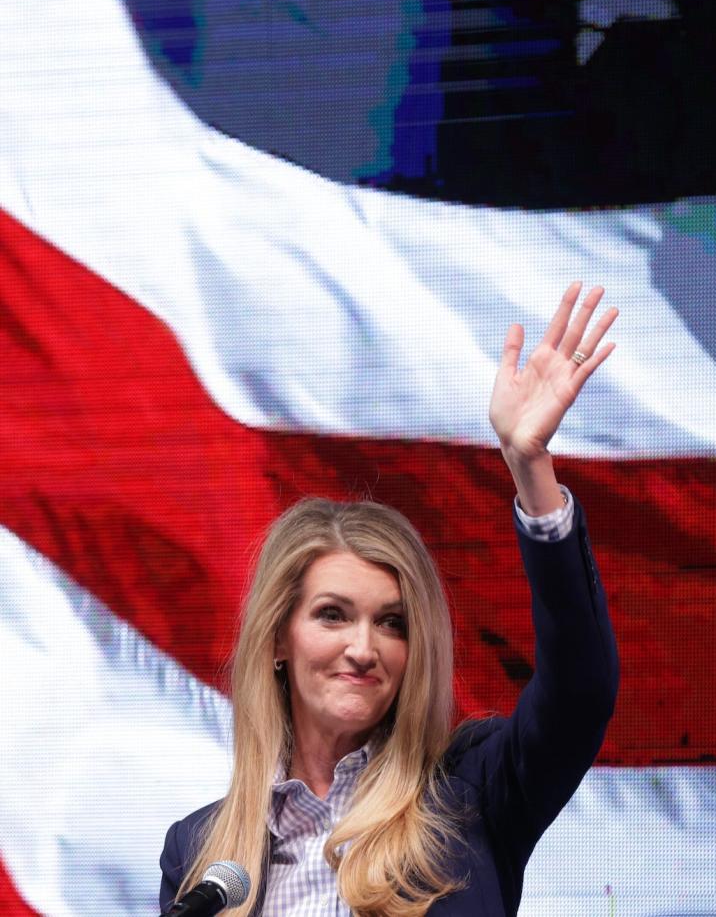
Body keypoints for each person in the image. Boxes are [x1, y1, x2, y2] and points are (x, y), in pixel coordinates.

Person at [158, 283, 620, 915]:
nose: (364, 648)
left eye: (394, 624)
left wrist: (530, 468)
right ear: (275, 639)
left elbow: (581, 693)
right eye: (332, 615)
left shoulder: (472, 796)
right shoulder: (201, 856)